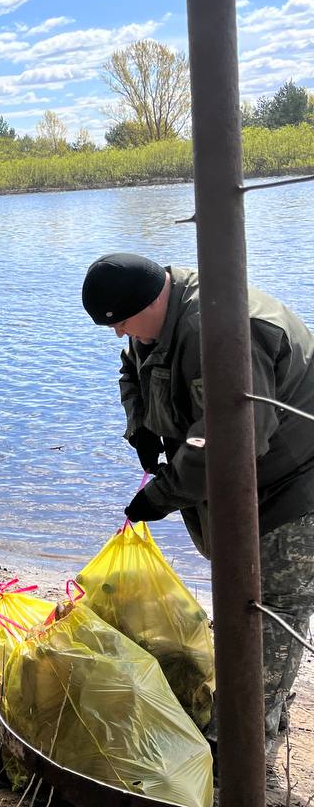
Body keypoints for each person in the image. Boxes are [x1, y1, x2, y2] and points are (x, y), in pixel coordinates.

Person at [81, 252, 314, 752]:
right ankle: (255, 722)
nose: (119, 334)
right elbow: (133, 370)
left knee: (273, 610)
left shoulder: (228, 331)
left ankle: (241, 748)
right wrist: (140, 427)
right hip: (244, 484)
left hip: (296, 481)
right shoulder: (156, 321)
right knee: (240, 604)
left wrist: (159, 496)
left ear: (149, 299)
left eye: (120, 323)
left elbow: (230, 443)